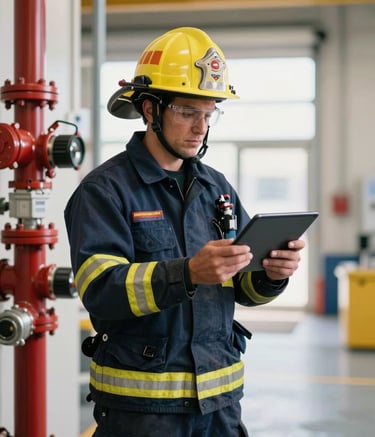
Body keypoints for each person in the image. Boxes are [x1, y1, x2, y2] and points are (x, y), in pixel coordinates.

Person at [64, 27, 305, 437]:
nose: (201, 128)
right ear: (149, 109)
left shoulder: (217, 188)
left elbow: (245, 288)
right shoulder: (104, 191)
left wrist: (272, 274)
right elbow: (100, 290)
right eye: (188, 112)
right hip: (141, 414)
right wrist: (188, 272)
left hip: (221, 406)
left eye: (209, 114)